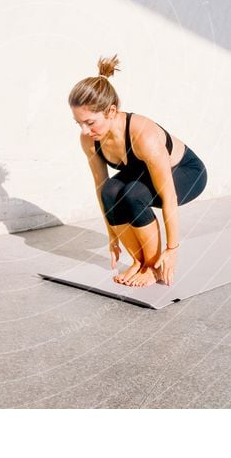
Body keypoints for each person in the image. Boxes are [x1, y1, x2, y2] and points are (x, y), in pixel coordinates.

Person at [68, 54, 207, 288]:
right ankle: (138, 261)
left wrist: (172, 248)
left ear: (111, 112)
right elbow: (101, 187)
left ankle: (153, 267)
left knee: (133, 194)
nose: (84, 130)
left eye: (90, 122)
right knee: (111, 189)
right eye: (78, 123)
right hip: (145, 176)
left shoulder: (143, 135)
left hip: (187, 172)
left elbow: (169, 195)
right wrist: (112, 233)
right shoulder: (90, 140)